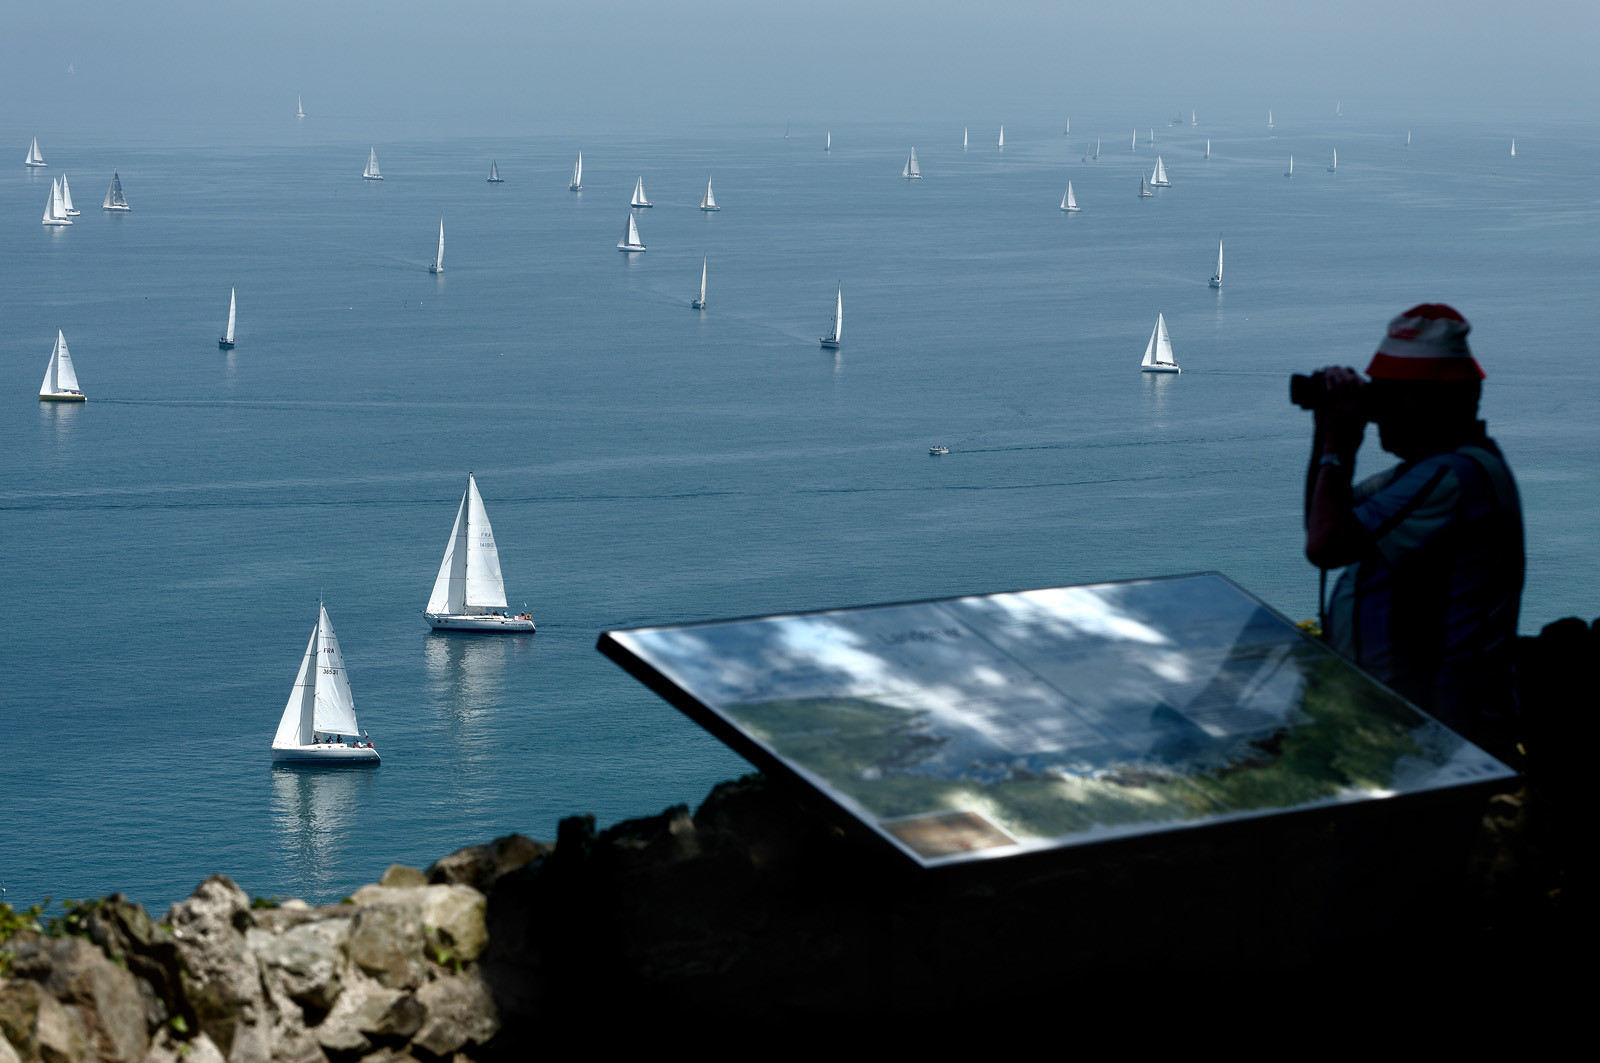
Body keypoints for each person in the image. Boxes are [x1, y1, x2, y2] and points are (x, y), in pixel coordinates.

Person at [1304, 303, 1524, 749]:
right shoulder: (1430, 474)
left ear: (1433, 402)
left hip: (1435, 735)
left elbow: (1326, 545)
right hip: (1407, 727)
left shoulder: (1454, 477)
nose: (1375, 411)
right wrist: (1326, 435)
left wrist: (1338, 446)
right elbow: (1323, 522)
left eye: (1387, 395)